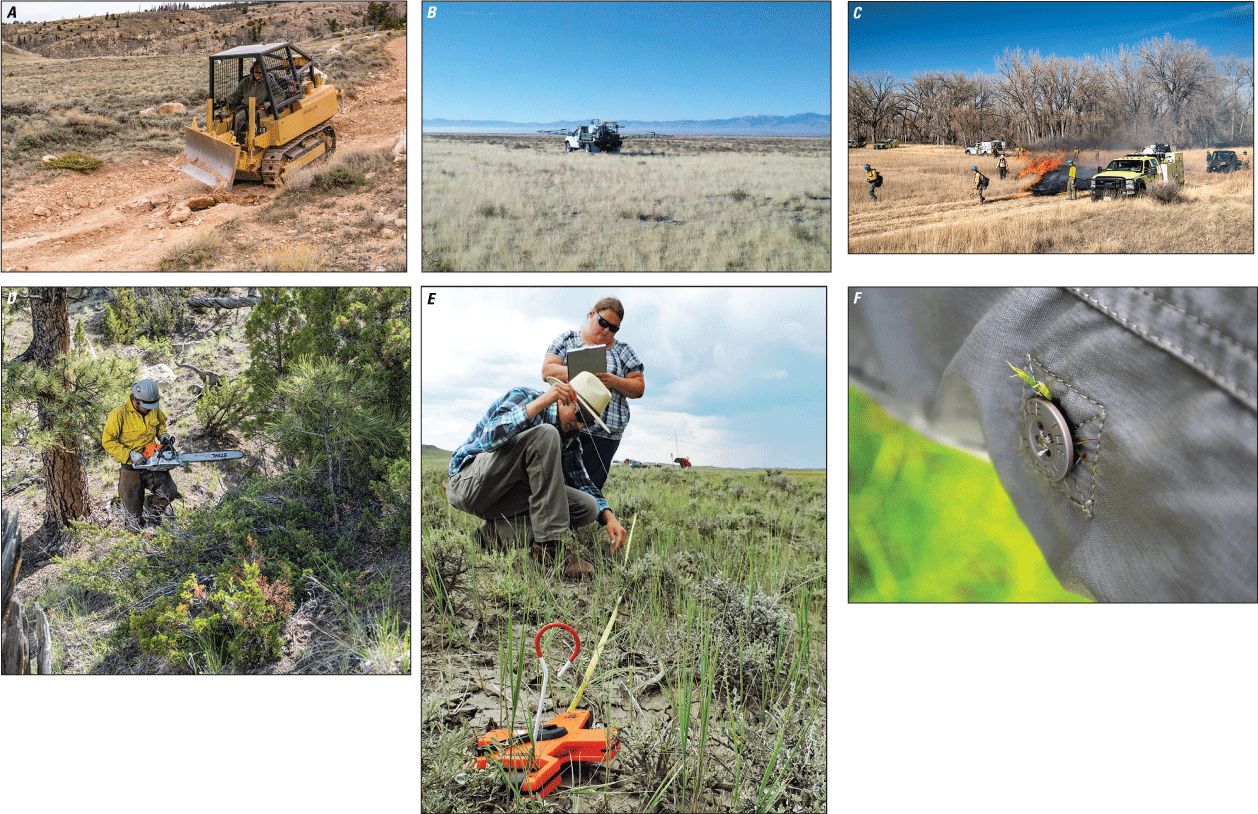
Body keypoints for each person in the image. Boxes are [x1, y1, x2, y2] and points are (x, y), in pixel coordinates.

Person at [445, 372, 628, 579]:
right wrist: (540, 404)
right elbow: (488, 439)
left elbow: (582, 481)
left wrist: (608, 516)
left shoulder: (570, 437)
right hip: (468, 484)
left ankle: (492, 536)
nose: (580, 426)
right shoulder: (525, 396)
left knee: (587, 507)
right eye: (580, 416)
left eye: (588, 423)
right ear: (564, 398)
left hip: (505, 497)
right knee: (547, 434)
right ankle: (550, 550)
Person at [541, 297, 645, 491]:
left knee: (591, 489)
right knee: (558, 486)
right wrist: (583, 371)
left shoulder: (623, 351)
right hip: (567, 425)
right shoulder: (567, 339)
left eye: (613, 328)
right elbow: (547, 371)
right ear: (592, 314)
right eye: (603, 323)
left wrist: (613, 380)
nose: (606, 330)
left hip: (605, 436)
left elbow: (638, 387)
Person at [101, 378, 182, 531]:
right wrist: (130, 454)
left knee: (169, 491)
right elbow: (107, 441)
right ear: (136, 400)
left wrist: (163, 434)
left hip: (152, 458)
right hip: (131, 465)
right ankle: (136, 541)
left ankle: (153, 510)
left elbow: (160, 424)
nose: (149, 409)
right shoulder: (118, 415)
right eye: (146, 406)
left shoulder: (153, 408)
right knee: (133, 519)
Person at [227, 60, 270, 137]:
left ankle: (254, 140)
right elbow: (236, 95)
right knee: (237, 117)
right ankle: (233, 140)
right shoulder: (245, 82)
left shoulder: (269, 82)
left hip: (260, 109)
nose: (258, 74)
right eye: (256, 72)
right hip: (247, 108)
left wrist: (270, 104)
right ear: (252, 71)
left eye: (260, 73)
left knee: (256, 118)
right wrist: (225, 100)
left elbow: (279, 94)